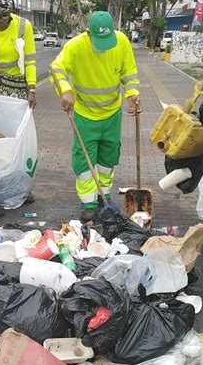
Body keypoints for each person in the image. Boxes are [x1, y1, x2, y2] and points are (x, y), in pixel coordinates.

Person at [50, 11, 141, 221]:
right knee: (85, 160)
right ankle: (88, 202)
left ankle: (104, 195)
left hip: (111, 114)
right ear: (88, 34)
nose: (103, 47)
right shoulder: (75, 46)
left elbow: (129, 72)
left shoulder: (121, 42)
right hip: (85, 115)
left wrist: (132, 94)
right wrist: (65, 90)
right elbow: (56, 68)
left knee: (108, 159)